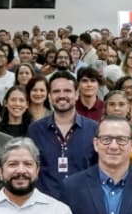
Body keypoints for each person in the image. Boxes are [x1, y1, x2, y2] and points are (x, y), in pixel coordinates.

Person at [27, 71, 98, 200]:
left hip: (84, 203)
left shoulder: (94, 129)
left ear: (76, 94)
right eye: (56, 91)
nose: (62, 95)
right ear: (49, 96)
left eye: (67, 91)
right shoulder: (35, 130)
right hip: (45, 206)